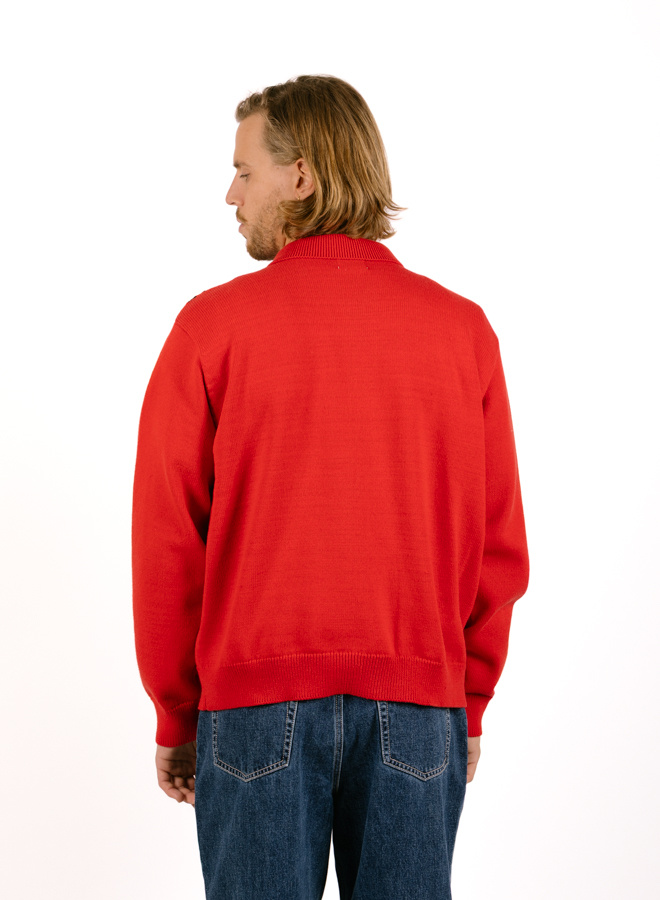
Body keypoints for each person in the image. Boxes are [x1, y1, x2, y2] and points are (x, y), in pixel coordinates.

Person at [131, 74, 530, 899]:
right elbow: (497, 543)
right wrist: (468, 697)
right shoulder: (461, 332)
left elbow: (168, 539)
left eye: (244, 171)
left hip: (253, 707)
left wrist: (177, 711)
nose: (231, 195)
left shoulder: (212, 328)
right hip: (419, 707)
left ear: (301, 176)